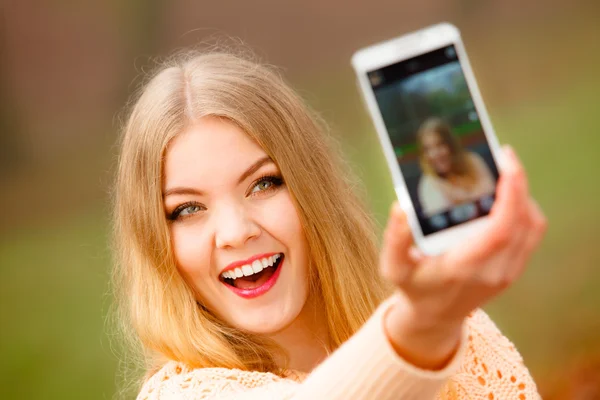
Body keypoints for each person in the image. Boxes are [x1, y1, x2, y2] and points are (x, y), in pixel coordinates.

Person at [112, 49, 547, 399]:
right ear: (154, 241)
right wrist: (421, 325)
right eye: (187, 210)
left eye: (264, 184)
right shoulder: (180, 395)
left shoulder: (460, 332)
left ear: (312, 188)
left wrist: (434, 320)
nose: (235, 232)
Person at [416, 117, 496, 216]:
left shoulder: (472, 160)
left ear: (451, 145)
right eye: (428, 149)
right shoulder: (428, 184)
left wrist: (458, 198)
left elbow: (491, 196)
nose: (435, 154)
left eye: (440, 145)